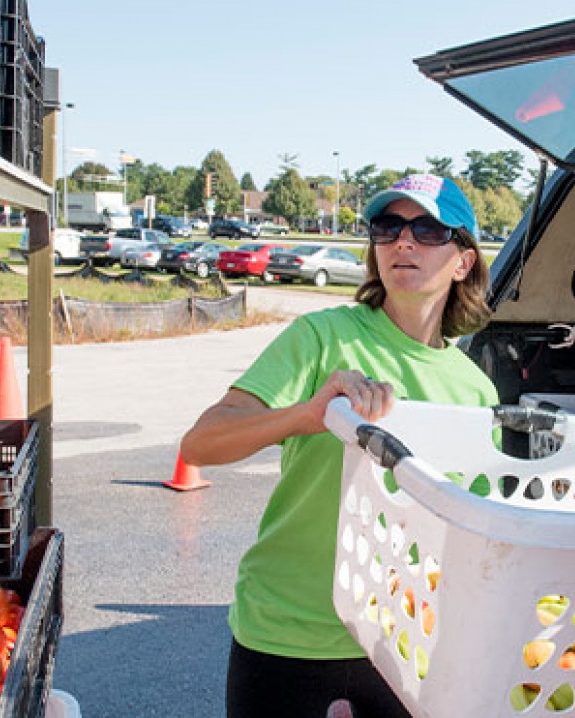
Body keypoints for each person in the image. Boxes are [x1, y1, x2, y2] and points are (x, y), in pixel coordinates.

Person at [180, 174, 498, 718]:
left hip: (406, 644)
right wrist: (308, 415)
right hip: (288, 630)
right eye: (388, 226)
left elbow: (474, 531)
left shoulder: (476, 392)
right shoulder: (321, 338)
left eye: (427, 228)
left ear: (463, 260)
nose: (404, 241)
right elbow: (202, 443)